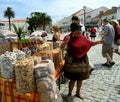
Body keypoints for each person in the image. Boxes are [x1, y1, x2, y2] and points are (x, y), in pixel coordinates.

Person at [61, 23, 104, 100]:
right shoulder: (68, 37)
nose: (79, 32)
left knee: (80, 78)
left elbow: (90, 43)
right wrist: (65, 42)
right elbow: (62, 47)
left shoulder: (83, 37)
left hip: (82, 61)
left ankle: (78, 92)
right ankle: (70, 94)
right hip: (72, 62)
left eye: (80, 31)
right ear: (73, 31)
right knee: (73, 79)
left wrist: (99, 42)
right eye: (77, 31)